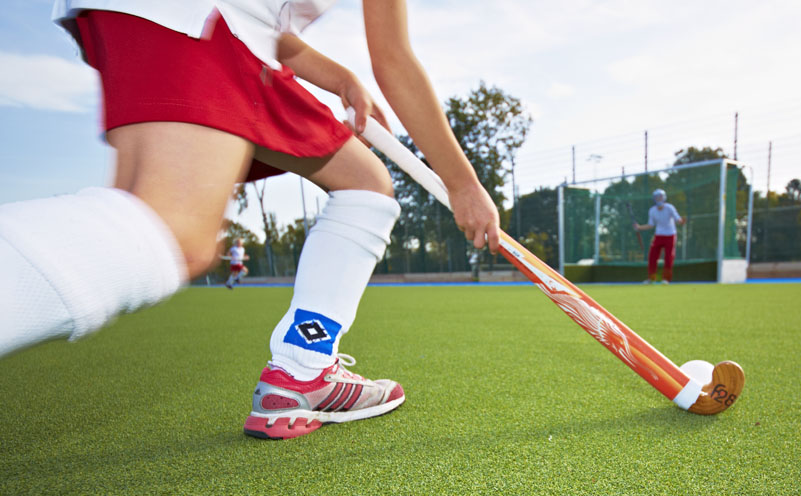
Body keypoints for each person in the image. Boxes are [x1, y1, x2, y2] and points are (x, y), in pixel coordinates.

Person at [0, 0, 501, 439]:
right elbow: (392, 58)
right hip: (200, 18)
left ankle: (303, 370)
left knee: (364, 183)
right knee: (171, 230)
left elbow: (272, 28)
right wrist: (463, 184)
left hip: (236, 33)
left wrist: (340, 77)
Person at [633, 189, 686, 284]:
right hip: (658, 236)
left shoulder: (670, 208)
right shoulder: (652, 210)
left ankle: (666, 279)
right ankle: (651, 278)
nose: (659, 199)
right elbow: (650, 225)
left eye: (660, 196)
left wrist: (681, 221)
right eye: (656, 197)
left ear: (664, 197)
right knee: (652, 256)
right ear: (654, 199)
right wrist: (639, 227)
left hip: (670, 235)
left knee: (669, 258)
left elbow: (678, 219)